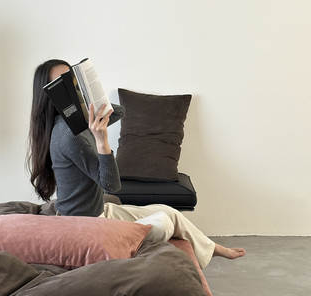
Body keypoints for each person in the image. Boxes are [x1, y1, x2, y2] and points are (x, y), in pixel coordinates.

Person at [26, 59, 246, 269]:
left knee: (167, 211)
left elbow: (120, 111)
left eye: (73, 80)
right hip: (84, 228)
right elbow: (111, 185)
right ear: (52, 96)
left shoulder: (78, 122)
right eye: (63, 84)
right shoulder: (69, 135)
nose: (72, 88)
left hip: (98, 212)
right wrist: (102, 141)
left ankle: (213, 248)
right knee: (165, 222)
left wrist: (91, 97)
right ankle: (128, 245)